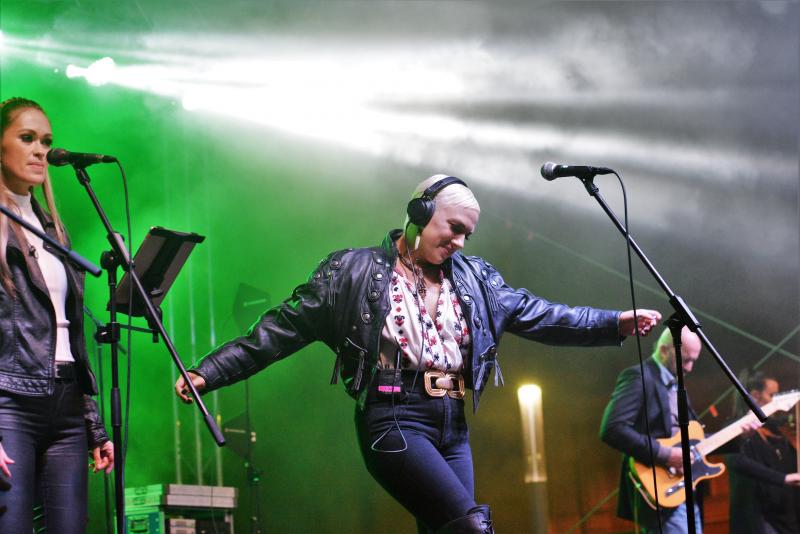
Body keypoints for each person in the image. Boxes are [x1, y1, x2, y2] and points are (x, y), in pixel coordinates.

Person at [175, 174, 661, 533]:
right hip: (393, 418)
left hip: (453, 424)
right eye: (453, 227)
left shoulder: (474, 278)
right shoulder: (353, 271)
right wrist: (208, 372)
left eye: (467, 234)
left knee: (444, 529)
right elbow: (282, 328)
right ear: (420, 212)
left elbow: (538, 313)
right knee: (469, 527)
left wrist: (611, 323)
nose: (459, 242)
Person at [0, 97, 114, 533]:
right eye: (26, 138)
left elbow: (68, 335)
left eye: (46, 142)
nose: (40, 151)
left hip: (66, 405)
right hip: (10, 403)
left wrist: (93, 424)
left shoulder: (51, 229)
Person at [600, 325, 704, 533]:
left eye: (694, 361)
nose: (690, 368)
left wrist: (740, 433)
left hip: (684, 491)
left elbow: (693, 437)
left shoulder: (675, 384)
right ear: (664, 350)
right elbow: (612, 428)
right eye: (685, 360)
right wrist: (666, 454)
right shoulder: (638, 377)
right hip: (660, 493)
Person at [728, 373, 800, 534]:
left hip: (783, 516)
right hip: (758, 518)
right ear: (755, 396)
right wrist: (783, 478)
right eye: (772, 395)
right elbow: (737, 461)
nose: (776, 401)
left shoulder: (777, 430)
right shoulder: (735, 429)